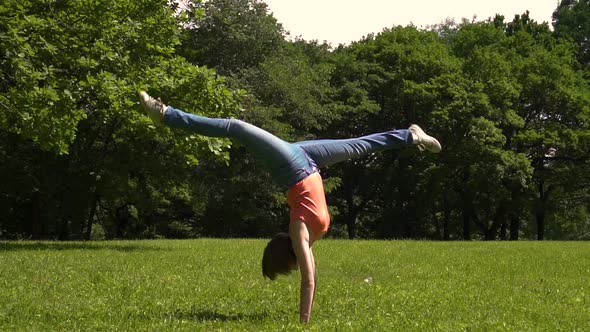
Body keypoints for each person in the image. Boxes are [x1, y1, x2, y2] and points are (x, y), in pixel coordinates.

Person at [138, 91, 441, 323]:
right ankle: (412, 134)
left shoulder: (299, 231)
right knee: (359, 146)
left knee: (237, 127)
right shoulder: (305, 237)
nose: (294, 268)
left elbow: (309, 280)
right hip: (307, 163)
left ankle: (166, 115)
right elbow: (309, 278)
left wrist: (303, 322)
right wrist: (303, 322)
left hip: (295, 164)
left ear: (288, 257)